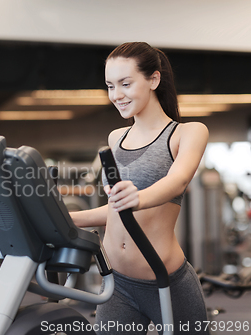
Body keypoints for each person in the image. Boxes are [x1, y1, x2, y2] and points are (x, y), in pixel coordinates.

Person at [70, 42, 209, 334]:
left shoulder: (187, 132)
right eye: (110, 85)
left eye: (125, 83)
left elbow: (177, 181)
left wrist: (139, 197)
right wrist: (64, 217)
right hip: (117, 283)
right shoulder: (115, 138)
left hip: (165, 280)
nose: (116, 95)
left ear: (154, 80)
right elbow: (115, 210)